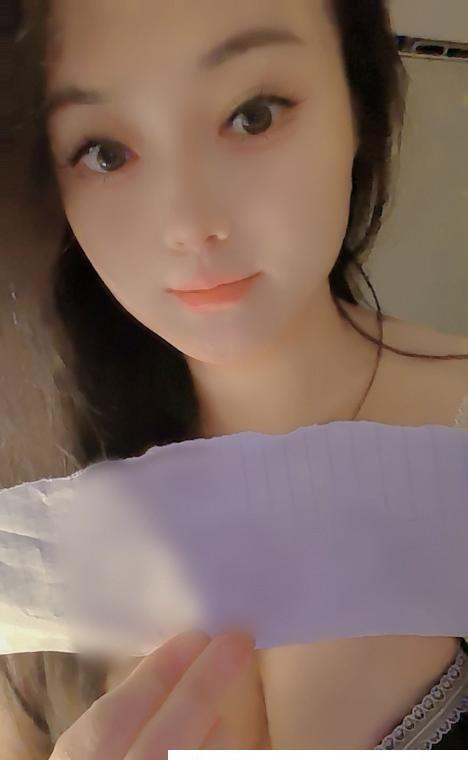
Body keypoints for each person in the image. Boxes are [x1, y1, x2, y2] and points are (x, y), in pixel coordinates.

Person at [1, 0, 468, 754]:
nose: (189, 224)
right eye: (104, 153)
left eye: (253, 115)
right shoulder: (31, 517)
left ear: (357, 100)